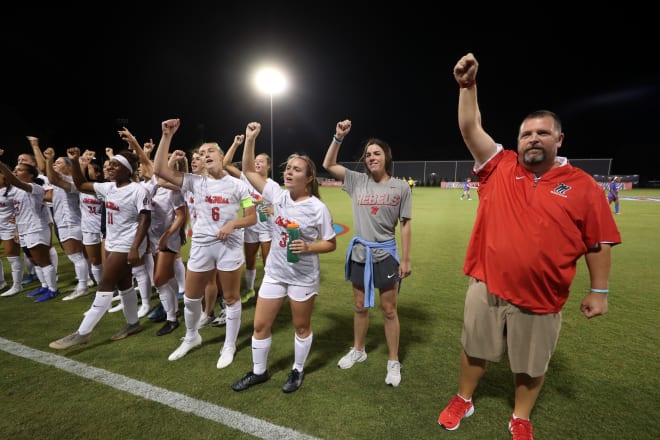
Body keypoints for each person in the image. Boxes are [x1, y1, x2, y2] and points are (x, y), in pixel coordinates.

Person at [437, 53, 622, 439]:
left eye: (542, 133)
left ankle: (521, 416)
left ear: (559, 139)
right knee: (473, 348)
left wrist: (599, 291)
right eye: (526, 134)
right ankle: (464, 397)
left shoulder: (584, 186)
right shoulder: (500, 166)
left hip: (542, 294)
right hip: (486, 284)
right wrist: (467, 86)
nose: (533, 139)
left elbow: (598, 242)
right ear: (517, 140)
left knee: (531, 363)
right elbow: (471, 129)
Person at [231, 122, 337, 393]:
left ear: (309, 178)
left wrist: (310, 247)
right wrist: (251, 139)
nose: (290, 172)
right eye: (288, 168)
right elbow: (246, 170)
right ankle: (259, 372)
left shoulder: (317, 208)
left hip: (302, 277)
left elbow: (331, 243)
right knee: (260, 324)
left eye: (296, 169)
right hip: (276, 274)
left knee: (301, 326)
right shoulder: (275, 194)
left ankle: (297, 369)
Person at [153, 119, 257, 368]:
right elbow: (159, 171)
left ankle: (229, 345)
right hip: (201, 245)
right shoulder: (194, 181)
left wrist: (233, 224)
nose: (205, 154)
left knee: (231, 298)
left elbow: (252, 217)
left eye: (210, 151)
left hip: (229, 246)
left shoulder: (239, 186)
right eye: (201, 152)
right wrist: (166, 136)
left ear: (222, 156)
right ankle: (191, 337)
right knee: (190, 298)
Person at [323, 119, 412, 388]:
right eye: (368, 154)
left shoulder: (401, 187)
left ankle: (393, 360)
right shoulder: (357, 181)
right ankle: (358, 350)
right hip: (360, 253)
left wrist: (406, 259)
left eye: (377, 153)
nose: (372, 157)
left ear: (387, 157)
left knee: (388, 310)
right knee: (360, 306)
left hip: (385, 255)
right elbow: (328, 164)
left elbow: (406, 224)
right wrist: (338, 137)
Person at [49, 147, 151, 349]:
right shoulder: (109, 188)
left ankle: (83, 332)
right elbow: (79, 184)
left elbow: (145, 219)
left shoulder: (138, 190)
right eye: (110, 164)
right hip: (113, 241)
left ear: (128, 170)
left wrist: (134, 247)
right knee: (124, 284)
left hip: (128, 243)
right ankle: (133, 324)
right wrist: (76, 161)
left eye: (115, 165)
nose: (110, 167)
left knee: (105, 283)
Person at [0, 147, 60, 302]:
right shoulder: (15, 191)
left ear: (31, 175)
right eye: (15, 169)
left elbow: (12, 180)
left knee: (43, 261)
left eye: (20, 170)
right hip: (25, 228)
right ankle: (44, 286)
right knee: (35, 261)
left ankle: (53, 290)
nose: (16, 171)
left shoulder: (35, 187)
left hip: (36, 227)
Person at [222, 134, 275, 304]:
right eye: (256, 160)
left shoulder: (272, 185)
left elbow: (283, 206)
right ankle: (250, 289)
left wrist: (274, 209)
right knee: (250, 261)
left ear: (269, 165)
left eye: (261, 161)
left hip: (268, 229)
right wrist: (236, 143)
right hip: (251, 228)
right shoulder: (245, 178)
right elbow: (226, 164)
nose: (257, 162)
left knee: (269, 262)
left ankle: (269, 291)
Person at [0, 166, 24, 297]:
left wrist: (17, 228)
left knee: (12, 257)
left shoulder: (12, 191)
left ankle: (17, 285)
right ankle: (1, 282)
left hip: (9, 228)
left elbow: (19, 209)